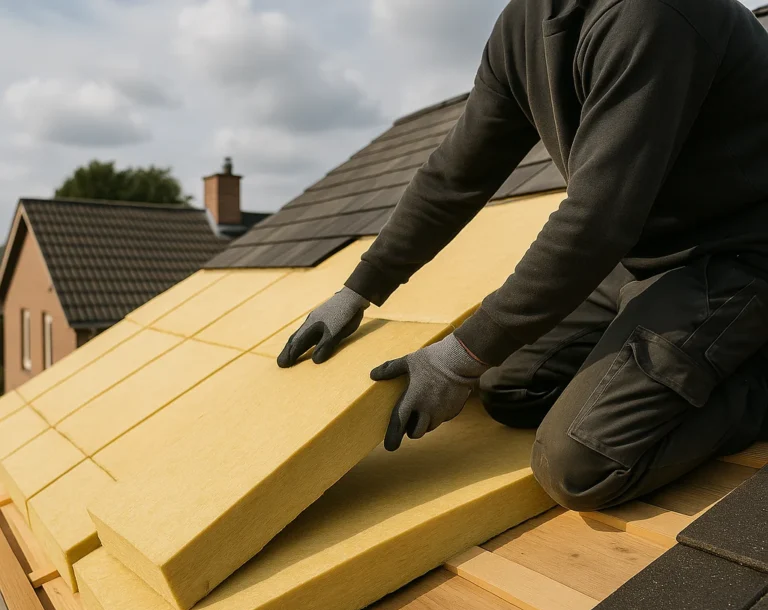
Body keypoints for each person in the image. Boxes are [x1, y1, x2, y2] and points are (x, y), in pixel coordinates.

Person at [278, 0, 768, 511]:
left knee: (579, 464)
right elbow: (456, 173)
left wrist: (459, 356)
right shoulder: (524, 22)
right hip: (649, 254)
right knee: (509, 385)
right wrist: (360, 288)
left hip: (740, 258)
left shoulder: (655, 14)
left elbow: (597, 219)